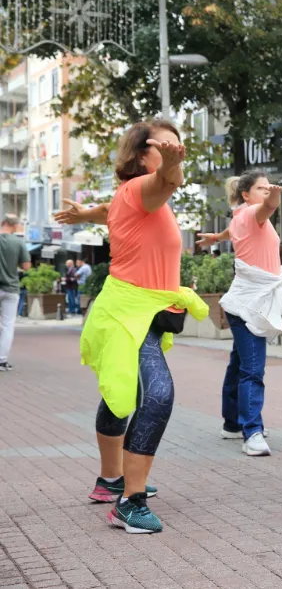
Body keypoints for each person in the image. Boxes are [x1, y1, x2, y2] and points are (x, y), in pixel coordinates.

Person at [74, 120, 210, 533]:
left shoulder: (127, 197)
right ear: (140, 155)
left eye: (177, 143)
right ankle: (129, 503)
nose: (175, 148)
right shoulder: (142, 190)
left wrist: (85, 214)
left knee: (125, 392)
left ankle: (110, 480)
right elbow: (165, 183)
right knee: (158, 394)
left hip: (138, 309)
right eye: (164, 144)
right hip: (125, 312)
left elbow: (109, 210)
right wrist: (171, 167)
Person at [199, 172, 282, 456]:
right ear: (247, 195)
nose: (266, 190)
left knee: (240, 365)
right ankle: (252, 432)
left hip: (247, 301)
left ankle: (233, 424)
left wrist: (215, 237)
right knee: (253, 369)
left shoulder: (242, 217)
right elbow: (269, 206)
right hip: (250, 305)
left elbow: (232, 230)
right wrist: (276, 194)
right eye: (261, 188)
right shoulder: (255, 214)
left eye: (268, 186)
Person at [0, 215, 30, 371]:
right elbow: (26, 266)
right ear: (15, 225)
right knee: (7, 324)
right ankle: (2, 360)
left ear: (2, 223)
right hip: (11, 288)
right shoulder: (18, 242)